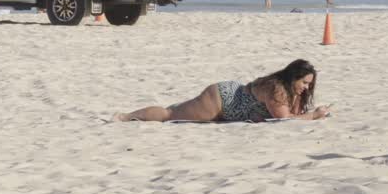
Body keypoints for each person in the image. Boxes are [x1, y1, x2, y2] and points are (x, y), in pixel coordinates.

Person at [114, 59, 331, 122]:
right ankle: (126, 116)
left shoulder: (290, 91)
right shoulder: (277, 89)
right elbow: (284, 120)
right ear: (293, 78)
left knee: (176, 110)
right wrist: (313, 116)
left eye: (309, 85)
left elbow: (292, 114)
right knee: (169, 115)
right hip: (222, 99)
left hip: (228, 105)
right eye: (304, 83)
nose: (305, 88)